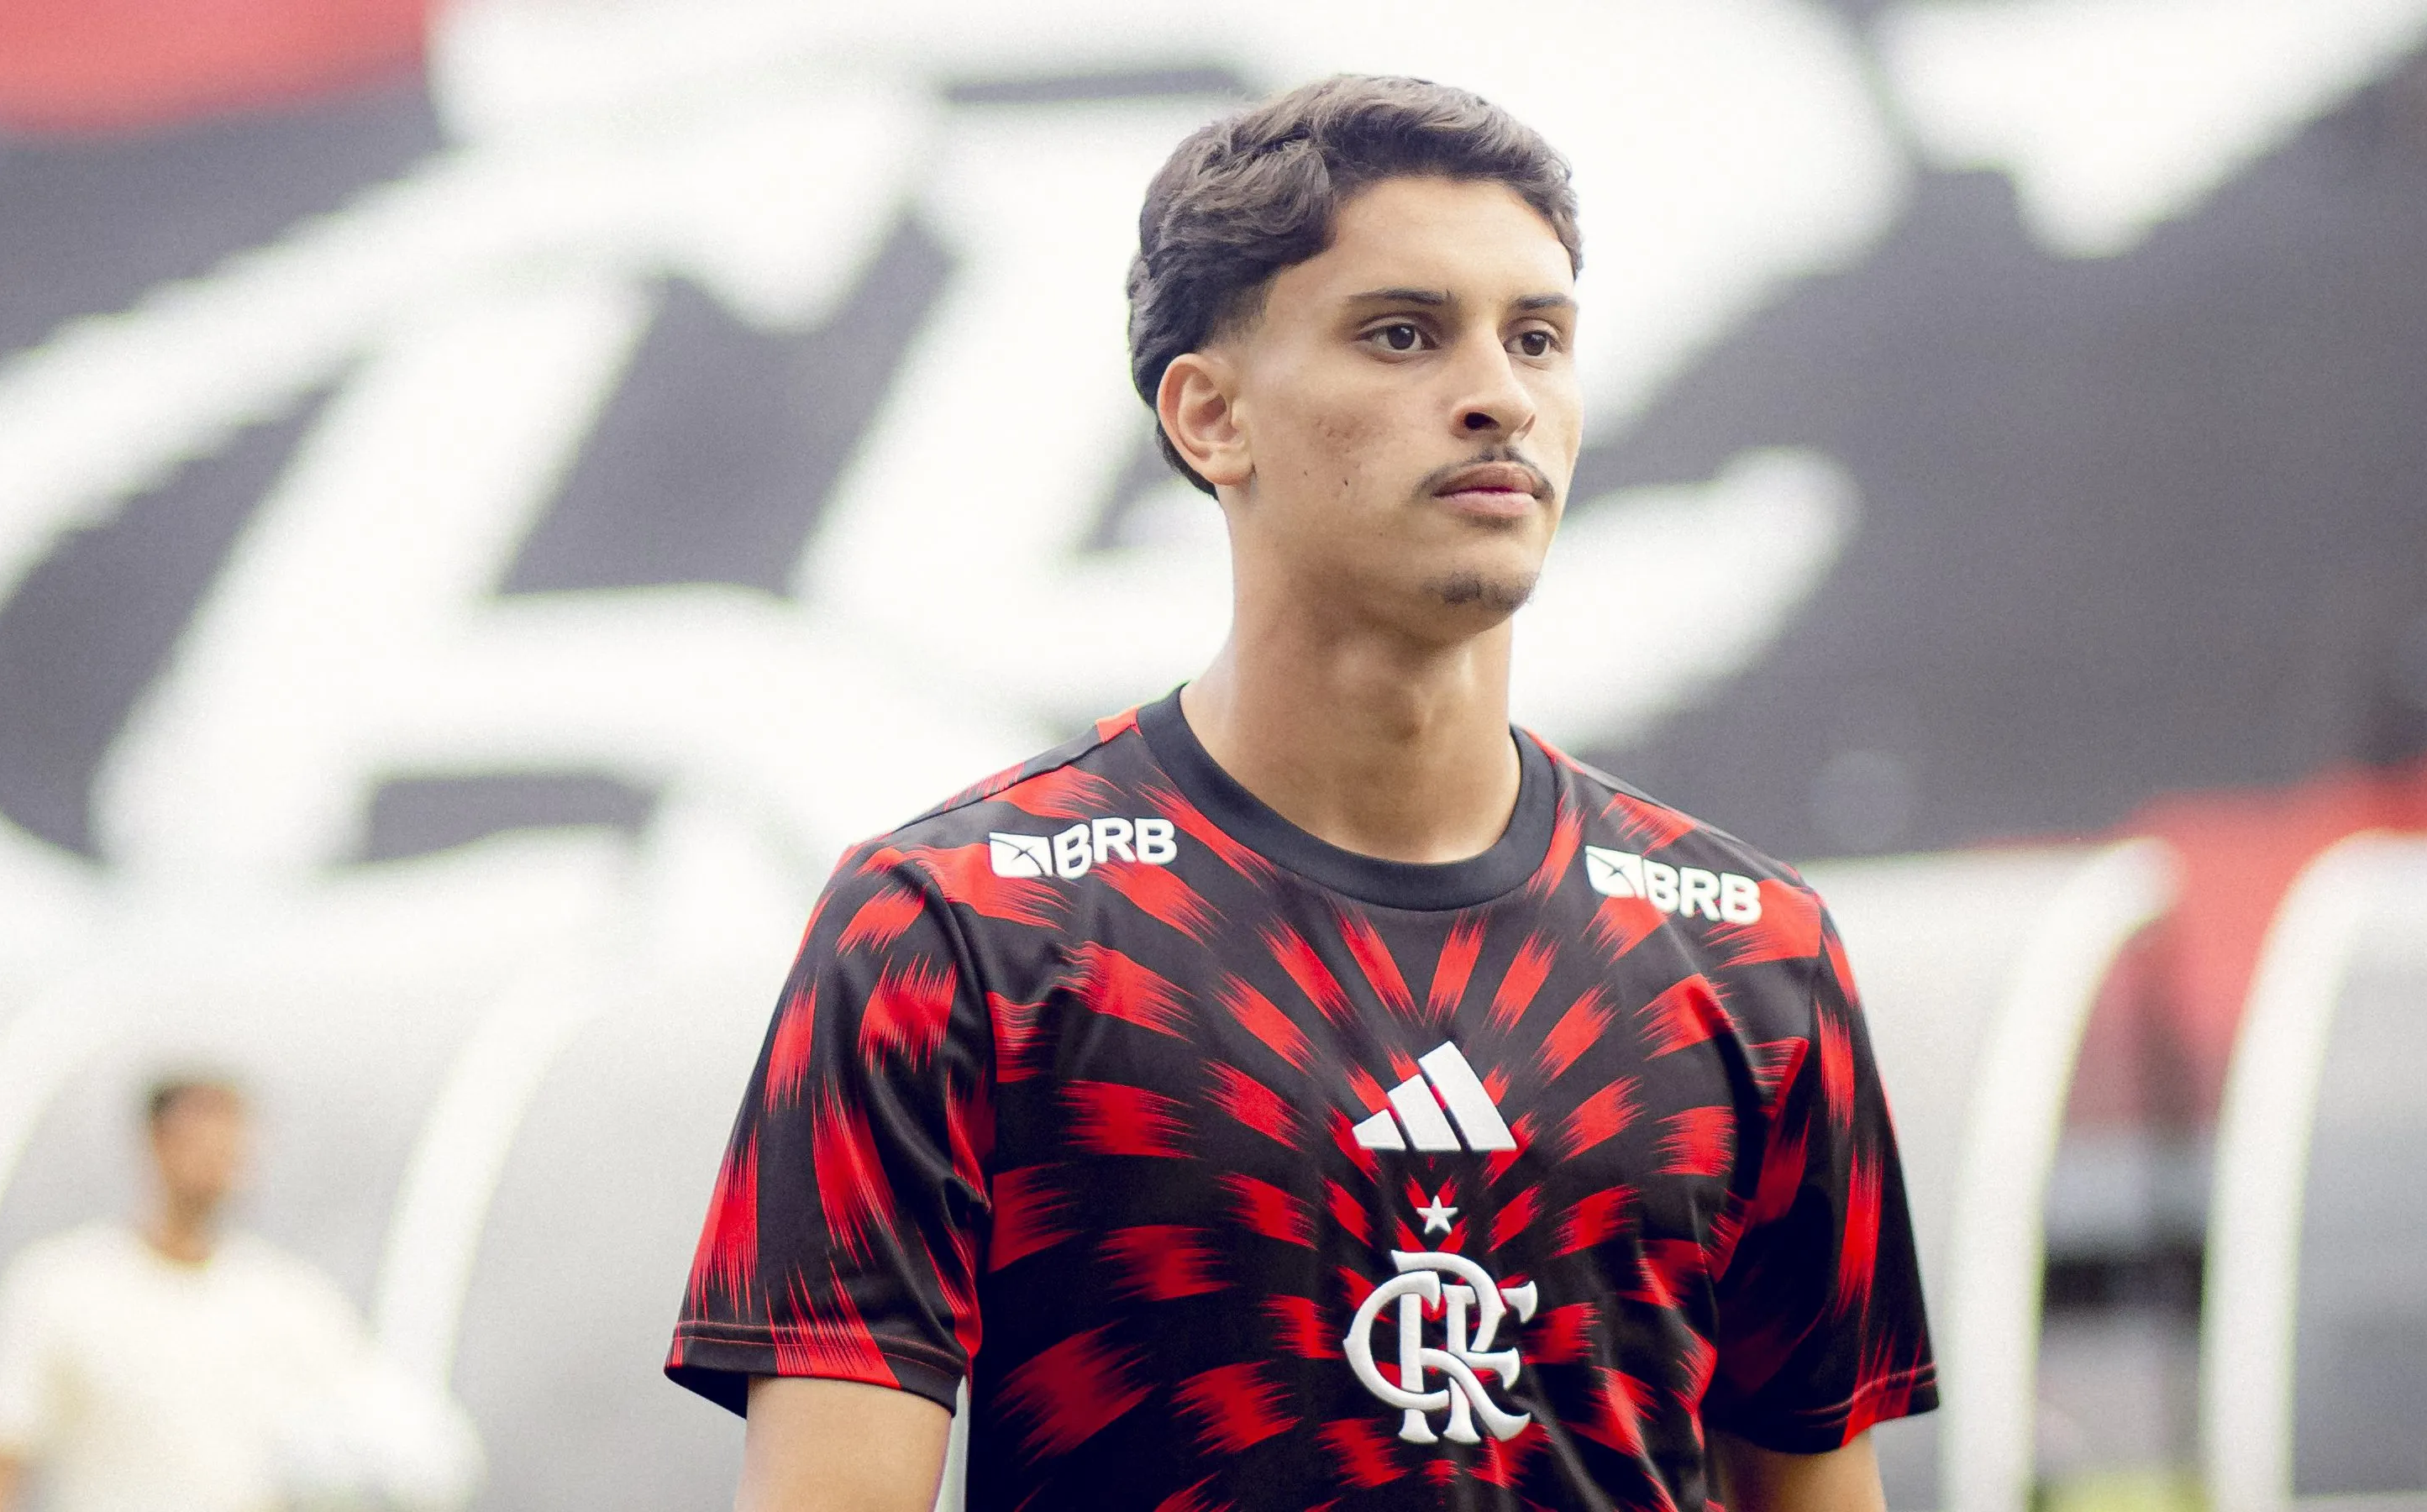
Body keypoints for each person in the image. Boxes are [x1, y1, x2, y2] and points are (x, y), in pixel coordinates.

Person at [667, 75, 1936, 1511]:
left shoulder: (1756, 954)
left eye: (1539, 338)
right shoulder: (951, 931)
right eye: (1402, 333)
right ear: (1211, 418)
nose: (1498, 395)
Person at [0, 1075, 480, 1512]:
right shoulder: (62, 1288)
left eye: (234, 1138)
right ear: (154, 1142)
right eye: (199, 1136)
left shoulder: (294, 1301)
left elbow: (374, 1438)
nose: (221, 1155)